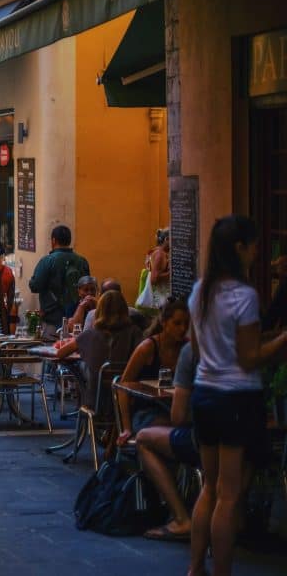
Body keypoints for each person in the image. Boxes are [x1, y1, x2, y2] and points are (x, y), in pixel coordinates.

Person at [187, 215, 287, 576]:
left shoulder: (200, 291)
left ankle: (195, 567)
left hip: (204, 392)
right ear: (239, 249)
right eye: (253, 244)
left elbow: (196, 349)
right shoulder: (244, 296)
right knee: (229, 496)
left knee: (209, 488)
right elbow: (250, 358)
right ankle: (221, 572)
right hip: (236, 397)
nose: (258, 251)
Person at [132, 343, 199, 543]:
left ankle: (181, 518)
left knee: (143, 438)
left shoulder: (193, 351)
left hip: (206, 441)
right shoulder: (246, 348)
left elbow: (177, 417)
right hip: (253, 438)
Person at [55, 290, 143, 412]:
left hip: (96, 401)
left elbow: (60, 354)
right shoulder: (135, 333)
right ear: (124, 310)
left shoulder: (89, 335)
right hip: (129, 401)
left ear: (99, 310)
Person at [116, 299, 190, 443]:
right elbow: (122, 387)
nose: (182, 328)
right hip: (147, 410)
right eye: (177, 323)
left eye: (187, 324)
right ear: (164, 323)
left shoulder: (187, 349)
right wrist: (126, 428)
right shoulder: (148, 348)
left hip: (177, 410)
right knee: (174, 431)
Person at [28, 224, 91, 336]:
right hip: (77, 320)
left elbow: (35, 286)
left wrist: (32, 280)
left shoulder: (47, 261)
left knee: (51, 350)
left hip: (52, 318)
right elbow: (88, 287)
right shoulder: (82, 261)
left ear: (53, 240)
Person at [84, 278, 149, 333]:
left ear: (100, 296)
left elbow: (85, 340)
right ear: (121, 296)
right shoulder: (134, 313)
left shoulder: (92, 315)